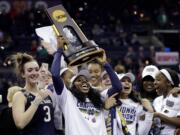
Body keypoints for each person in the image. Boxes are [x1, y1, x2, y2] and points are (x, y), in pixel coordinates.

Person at [48, 36, 121, 135]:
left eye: (86, 80)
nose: (84, 82)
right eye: (79, 80)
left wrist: (105, 63)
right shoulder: (67, 98)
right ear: (72, 86)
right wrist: (59, 50)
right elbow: (55, 75)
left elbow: (117, 87)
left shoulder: (98, 97)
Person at [11, 52, 57, 135]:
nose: (34, 73)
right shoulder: (20, 95)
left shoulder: (47, 93)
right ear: (23, 74)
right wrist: (37, 100)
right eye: (30, 70)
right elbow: (20, 124)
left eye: (36, 69)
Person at [153, 68, 180, 135]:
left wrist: (159, 115)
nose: (154, 82)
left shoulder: (179, 97)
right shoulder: (156, 100)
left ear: (168, 82)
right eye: (155, 80)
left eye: (158, 80)